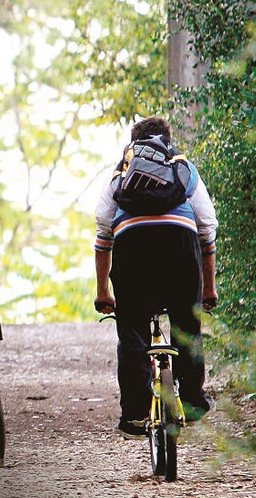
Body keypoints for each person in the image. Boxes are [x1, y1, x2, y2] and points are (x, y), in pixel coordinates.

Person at [93, 116, 218, 440]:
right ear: (167, 138)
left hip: (133, 249)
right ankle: (191, 404)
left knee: (133, 333)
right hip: (180, 246)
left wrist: (103, 291)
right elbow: (206, 226)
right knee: (187, 327)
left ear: (134, 141)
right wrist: (207, 288)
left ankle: (134, 414)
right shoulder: (182, 166)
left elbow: (103, 230)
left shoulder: (122, 171)